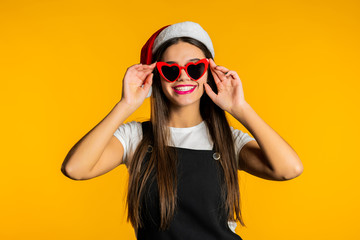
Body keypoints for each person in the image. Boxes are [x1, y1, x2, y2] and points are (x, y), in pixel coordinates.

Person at [61, 21, 303, 240]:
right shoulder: (135, 138)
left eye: (195, 68)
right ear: (157, 77)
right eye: (171, 70)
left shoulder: (228, 140)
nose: (184, 77)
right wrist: (125, 105)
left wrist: (240, 108)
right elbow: (75, 168)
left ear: (208, 73)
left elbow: (289, 169)